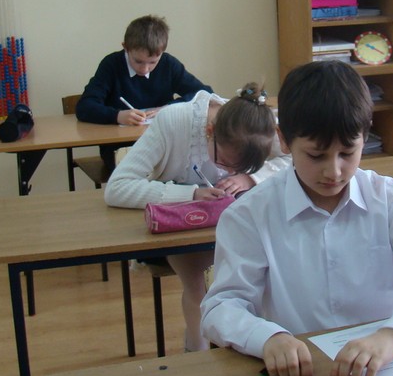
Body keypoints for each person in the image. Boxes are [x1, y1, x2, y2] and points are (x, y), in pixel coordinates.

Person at [200, 61, 393, 376]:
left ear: (366, 136)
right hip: (306, 374)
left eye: (348, 153)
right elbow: (221, 306)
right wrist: (268, 338)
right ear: (284, 141)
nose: (334, 172)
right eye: (316, 155)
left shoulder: (388, 199)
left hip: (383, 368)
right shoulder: (249, 215)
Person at [104, 84, 290, 352]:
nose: (229, 172)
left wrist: (250, 177)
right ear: (209, 132)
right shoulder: (173, 122)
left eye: (239, 167)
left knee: (261, 278)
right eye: (225, 162)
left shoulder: (258, 126)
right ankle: (198, 354)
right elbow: (117, 188)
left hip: (235, 223)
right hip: (185, 227)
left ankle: (253, 345)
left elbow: (294, 160)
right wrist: (191, 193)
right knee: (198, 287)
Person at [75, 14, 212, 168]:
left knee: (183, 165)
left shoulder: (168, 64)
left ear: (162, 52)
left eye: (153, 62)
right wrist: (117, 116)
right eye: (138, 61)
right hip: (121, 148)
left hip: (163, 145)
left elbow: (205, 94)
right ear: (126, 47)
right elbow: (85, 107)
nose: (145, 69)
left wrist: (169, 108)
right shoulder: (111, 65)